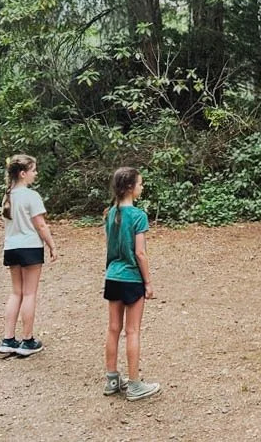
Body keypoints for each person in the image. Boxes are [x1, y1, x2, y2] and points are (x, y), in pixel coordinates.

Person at [102, 166, 161, 402]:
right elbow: (140, 253)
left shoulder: (109, 213)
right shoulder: (138, 216)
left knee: (113, 328)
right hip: (131, 278)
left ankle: (112, 379)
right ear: (130, 188)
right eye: (140, 184)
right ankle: (135, 384)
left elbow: (110, 247)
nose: (142, 187)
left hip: (112, 276)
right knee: (133, 330)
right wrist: (148, 282)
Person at [0, 154, 57, 356]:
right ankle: (27, 340)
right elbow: (40, 225)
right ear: (23, 173)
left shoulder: (7, 196)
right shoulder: (31, 196)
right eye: (33, 170)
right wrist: (52, 245)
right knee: (29, 293)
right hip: (30, 248)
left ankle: (8, 339)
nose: (35, 173)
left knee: (16, 293)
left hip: (11, 248)